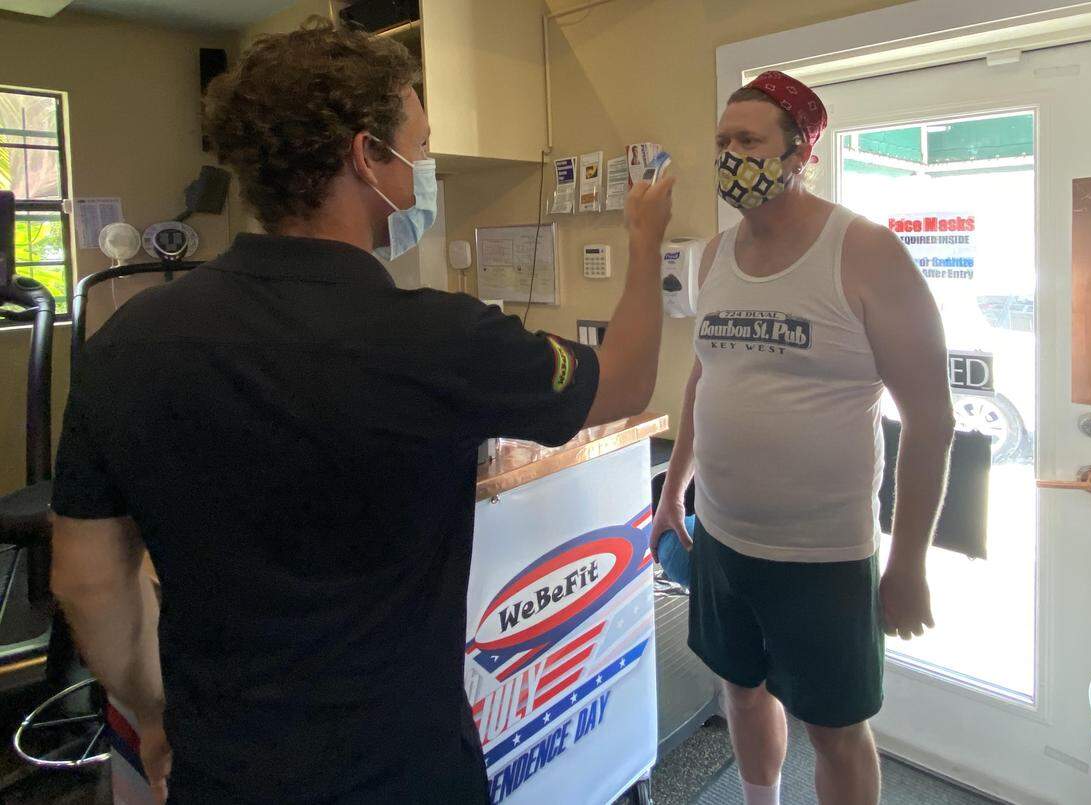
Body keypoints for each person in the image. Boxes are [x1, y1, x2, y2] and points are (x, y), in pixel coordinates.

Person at [49, 18, 673, 804]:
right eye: (417, 143)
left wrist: (151, 710)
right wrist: (645, 243)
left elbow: (87, 579)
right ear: (364, 154)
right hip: (404, 770)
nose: (424, 166)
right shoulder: (438, 338)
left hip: (225, 769)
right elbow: (626, 380)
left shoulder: (126, 341)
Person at [650, 71, 955, 805]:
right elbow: (703, 382)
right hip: (722, 539)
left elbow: (932, 420)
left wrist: (908, 562)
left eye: (749, 140)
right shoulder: (716, 256)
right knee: (742, 694)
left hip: (823, 555)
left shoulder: (867, 251)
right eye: (722, 141)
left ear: (799, 154)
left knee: (836, 729)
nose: (730, 155)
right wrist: (672, 493)